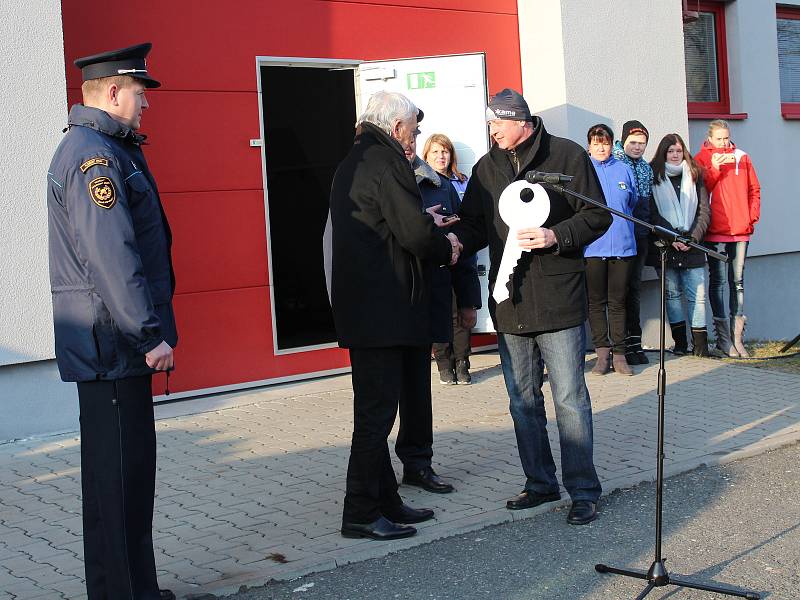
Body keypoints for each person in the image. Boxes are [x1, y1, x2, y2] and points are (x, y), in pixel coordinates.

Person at [46, 43, 177, 600]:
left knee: (116, 483)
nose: (147, 106)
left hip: (110, 344)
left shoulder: (104, 147)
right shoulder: (93, 156)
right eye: (141, 95)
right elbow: (113, 255)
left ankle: (127, 589)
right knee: (121, 482)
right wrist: (148, 334)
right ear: (115, 92)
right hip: (115, 344)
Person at [453, 89, 611, 525]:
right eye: (489, 125)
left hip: (558, 299)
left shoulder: (567, 156)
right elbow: (474, 226)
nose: (491, 131)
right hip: (510, 303)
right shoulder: (486, 168)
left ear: (520, 121)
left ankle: (583, 490)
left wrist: (556, 236)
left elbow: (598, 217)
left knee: (570, 398)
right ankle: (540, 484)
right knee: (522, 400)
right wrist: (451, 239)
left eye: (496, 124)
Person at [329, 91, 461, 540]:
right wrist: (448, 246)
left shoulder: (357, 160)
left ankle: (385, 501)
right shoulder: (388, 164)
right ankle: (361, 512)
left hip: (373, 311)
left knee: (377, 411)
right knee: (375, 417)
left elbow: (391, 224)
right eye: (413, 128)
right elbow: (413, 234)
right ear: (395, 127)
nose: (417, 135)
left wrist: (425, 223)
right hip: (383, 312)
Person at [391, 123, 480, 494]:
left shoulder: (440, 186)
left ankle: (418, 464)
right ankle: (380, 472)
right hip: (395, 299)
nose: (410, 146)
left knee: (418, 390)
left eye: (414, 140)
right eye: (406, 140)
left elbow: (461, 244)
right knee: (385, 394)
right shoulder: (386, 182)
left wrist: (470, 299)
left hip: (434, 294)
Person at [694, 120, 761, 358]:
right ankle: (723, 339)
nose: (724, 142)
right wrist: (713, 167)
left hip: (740, 229)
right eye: (719, 138)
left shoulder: (742, 157)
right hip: (715, 231)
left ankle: (737, 337)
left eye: (726, 137)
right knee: (719, 282)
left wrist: (751, 218)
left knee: (738, 281)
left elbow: (754, 190)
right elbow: (701, 191)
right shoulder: (701, 158)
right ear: (710, 138)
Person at [422, 133, 481, 385]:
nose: (440, 156)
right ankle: (444, 364)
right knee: (439, 314)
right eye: (435, 152)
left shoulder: (453, 186)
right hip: (434, 261)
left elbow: (464, 224)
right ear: (426, 157)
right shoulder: (417, 187)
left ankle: (462, 361)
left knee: (460, 314)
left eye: (444, 151)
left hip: (456, 259)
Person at [583, 124, 640, 376]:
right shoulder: (583, 172)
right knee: (596, 303)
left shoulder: (624, 169)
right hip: (593, 248)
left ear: (612, 144)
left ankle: (619, 355)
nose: (601, 147)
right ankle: (601, 354)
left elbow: (633, 202)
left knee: (618, 303)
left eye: (605, 143)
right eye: (596, 143)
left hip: (623, 247)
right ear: (589, 146)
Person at [648, 134, 711, 356]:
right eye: (670, 151)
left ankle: (701, 348)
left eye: (678, 150)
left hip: (692, 246)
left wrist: (691, 238)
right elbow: (652, 214)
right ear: (663, 153)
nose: (675, 155)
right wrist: (673, 238)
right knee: (673, 296)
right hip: (667, 247)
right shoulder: (653, 176)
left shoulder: (694, 175)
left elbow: (704, 211)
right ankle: (681, 344)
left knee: (698, 296)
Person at [612, 120, 653, 365]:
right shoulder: (616, 163)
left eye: (642, 144)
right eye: (633, 143)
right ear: (624, 140)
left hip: (640, 236)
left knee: (635, 290)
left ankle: (635, 343)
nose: (638, 148)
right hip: (620, 237)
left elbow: (647, 204)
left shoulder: (646, 168)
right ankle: (621, 345)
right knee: (621, 292)